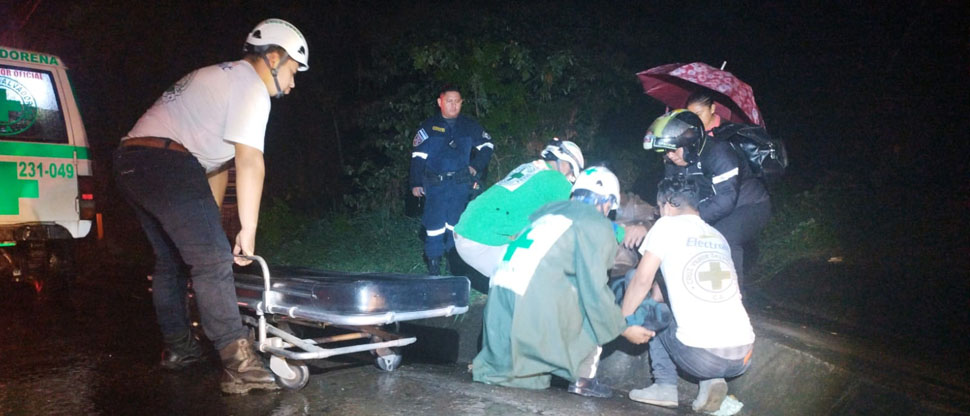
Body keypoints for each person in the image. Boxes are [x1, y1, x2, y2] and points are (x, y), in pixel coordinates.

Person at [113, 18, 309, 394]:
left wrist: (214, 228)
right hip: (167, 162)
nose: (293, 81)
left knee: (172, 261)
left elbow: (215, 167)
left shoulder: (225, 78)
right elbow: (250, 161)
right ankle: (238, 364)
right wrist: (246, 231)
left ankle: (180, 350)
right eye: (293, 70)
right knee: (213, 261)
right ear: (272, 57)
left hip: (132, 162)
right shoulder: (251, 85)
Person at [472, 167, 655, 398]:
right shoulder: (596, 224)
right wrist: (624, 327)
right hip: (530, 303)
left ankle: (502, 371)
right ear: (607, 203)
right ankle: (583, 379)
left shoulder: (548, 212)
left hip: (499, 298)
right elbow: (594, 292)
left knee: (512, 377)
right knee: (593, 303)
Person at [621, 177, 755, 413]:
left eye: (659, 207)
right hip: (743, 356)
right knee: (683, 305)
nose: (659, 213)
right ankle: (712, 382)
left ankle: (664, 385)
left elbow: (642, 281)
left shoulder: (665, 226)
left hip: (701, 357)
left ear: (668, 204)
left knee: (643, 293)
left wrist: (623, 320)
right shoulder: (717, 236)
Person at [643, 106, 770, 288]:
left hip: (749, 206)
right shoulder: (673, 160)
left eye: (673, 150)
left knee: (721, 238)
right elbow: (671, 197)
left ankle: (734, 298)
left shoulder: (719, 153)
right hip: (709, 206)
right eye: (665, 151)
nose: (669, 156)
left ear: (691, 143)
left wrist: (688, 221)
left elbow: (725, 200)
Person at [452, 138, 584, 280]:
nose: (569, 178)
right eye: (571, 173)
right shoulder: (558, 181)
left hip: (467, 231)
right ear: (566, 163)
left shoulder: (529, 168)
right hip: (483, 241)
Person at [410, 85, 494, 275]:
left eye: (457, 101)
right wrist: (415, 183)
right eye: (449, 101)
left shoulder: (469, 126)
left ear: (461, 103)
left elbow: (488, 145)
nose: (454, 105)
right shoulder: (428, 127)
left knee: (455, 224)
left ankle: (452, 264)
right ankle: (433, 268)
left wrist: (475, 166)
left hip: (460, 183)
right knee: (434, 225)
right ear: (440, 102)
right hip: (435, 184)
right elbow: (418, 157)